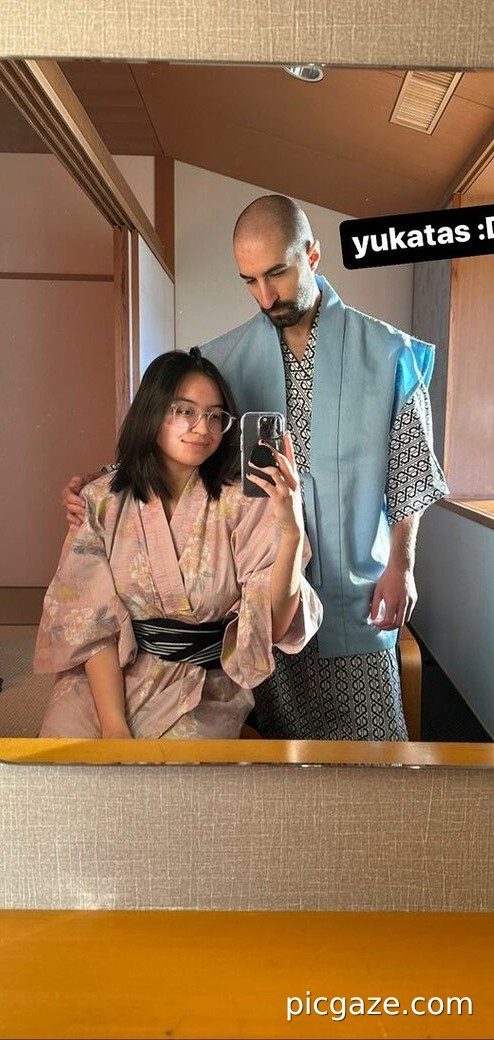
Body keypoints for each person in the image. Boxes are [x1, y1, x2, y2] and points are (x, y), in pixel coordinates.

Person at [63, 194, 448, 741]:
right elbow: (180, 443)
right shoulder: (223, 358)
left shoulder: (389, 355)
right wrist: (103, 485)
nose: (265, 296)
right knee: (267, 754)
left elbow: (410, 472)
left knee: (371, 752)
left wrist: (402, 565)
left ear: (312, 255)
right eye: (249, 281)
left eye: (277, 274)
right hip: (252, 595)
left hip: (354, 591)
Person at [36, 348, 322, 739]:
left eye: (215, 416)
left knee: (172, 770)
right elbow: (90, 622)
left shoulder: (246, 504)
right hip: (106, 680)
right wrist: (114, 725)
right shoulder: (100, 500)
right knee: (61, 759)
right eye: (185, 411)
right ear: (152, 411)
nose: (203, 428)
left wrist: (291, 532)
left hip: (200, 686)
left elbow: (273, 623)